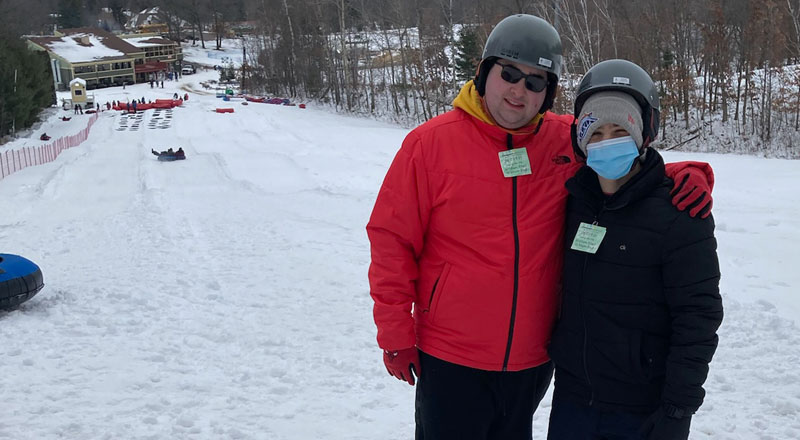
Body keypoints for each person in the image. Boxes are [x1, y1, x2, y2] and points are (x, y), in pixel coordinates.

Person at [366, 14, 714, 440]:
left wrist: (687, 172)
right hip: (451, 355)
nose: (519, 90)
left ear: (547, 94)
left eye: (535, 82)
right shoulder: (429, 145)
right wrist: (395, 332)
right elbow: (391, 240)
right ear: (484, 72)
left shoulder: (561, 140)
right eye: (509, 73)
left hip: (531, 360)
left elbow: (623, 149)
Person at [546, 59, 723, 440]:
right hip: (573, 401)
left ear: (644, 134)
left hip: (641, 409)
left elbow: (698, 318)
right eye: (596, 133)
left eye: (620, 131)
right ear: (580, 141)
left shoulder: (680, 214)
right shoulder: (573, 202)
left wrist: (678, 409)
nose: (607, 143)